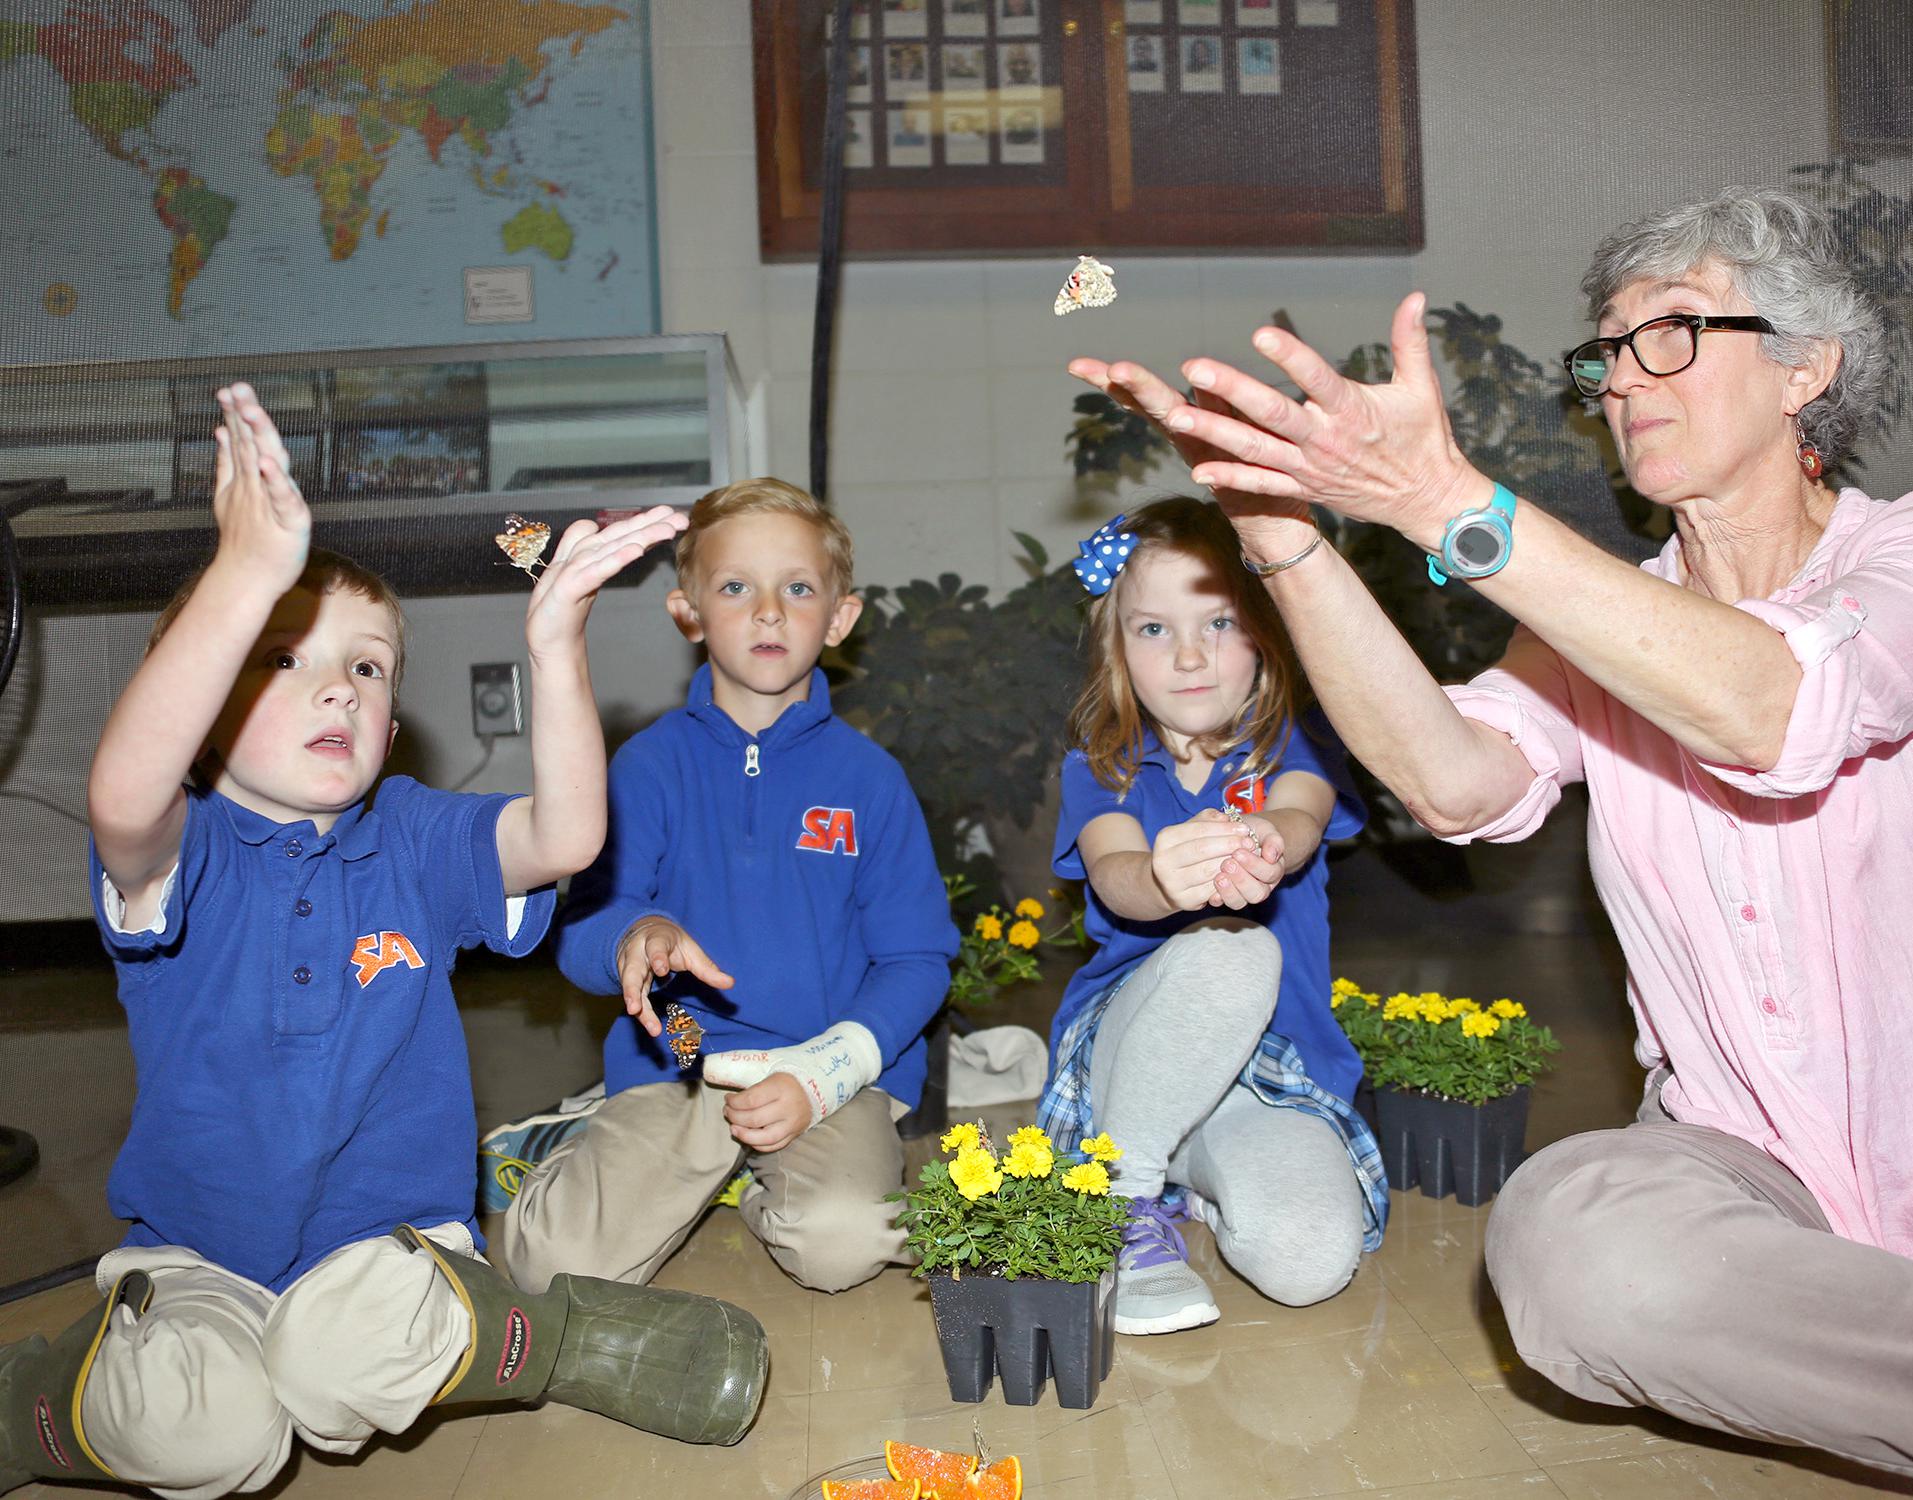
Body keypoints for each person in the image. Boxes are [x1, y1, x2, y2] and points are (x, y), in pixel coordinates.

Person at [1068, 186, 1913, 1488]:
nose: (1625, 377)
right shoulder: (1589, 632)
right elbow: (1451, 785)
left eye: (1669, 333)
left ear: (1807, 369)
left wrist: (1449, 498)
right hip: (1744, 1160)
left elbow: (1768, 706)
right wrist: (1286, 544)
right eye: (1610, 350)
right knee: (1568, 1248)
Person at [0, 388, 765, 1498]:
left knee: (342, 1358)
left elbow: (564, 836)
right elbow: (123, 794)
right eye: (281, 658)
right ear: (203, 708)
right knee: (208, 1441)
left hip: (388, 1247)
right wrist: (246, 574)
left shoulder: (413, 833)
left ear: (392, 720)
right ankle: (37, 1404)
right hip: (198, 1255)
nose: (335, 688)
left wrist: (555, 647)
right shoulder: (183, 848)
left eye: (365, 667)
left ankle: (556, 1340)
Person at [492, 479, 957, 1298]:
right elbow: (582, 931)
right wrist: (635, 935)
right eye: (736, 586)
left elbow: (918, 959)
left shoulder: (871, 782)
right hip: (677, 1056)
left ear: (841, 618)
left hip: (825, 1069)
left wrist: (824, 1076)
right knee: (550, 1268)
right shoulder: (644, 766)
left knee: (844, 1248)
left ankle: (748, 1177)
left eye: (799, 588)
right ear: (689, 612)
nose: (769, 611)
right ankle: (587, 1143)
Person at [1036, 497, 1384, 1336]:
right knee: (1233, 948)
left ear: (1267, 632)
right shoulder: (1102, 768)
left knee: (1308, 1263)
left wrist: (1267, 839)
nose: (1190, 656)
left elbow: (1299, 818)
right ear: (1117, 649)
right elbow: (1116, 874)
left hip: (1266, 1078)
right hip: (1133, 1054)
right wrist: (1163, 880)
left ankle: (1185, 1170)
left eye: (1219, 623)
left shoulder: (1297, 746)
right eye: (1153, 629)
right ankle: (1119, 1201)